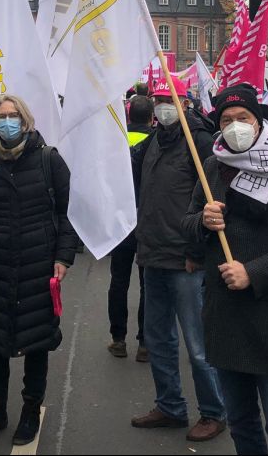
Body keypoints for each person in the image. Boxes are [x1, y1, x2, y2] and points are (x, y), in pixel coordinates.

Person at [184, 85, 268, 455]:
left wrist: (255, 272)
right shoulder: (212, 166)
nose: (235, 126)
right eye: (226, 120)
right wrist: (202, 221)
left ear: (258, 120)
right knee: (241, 423)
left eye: (242, 118)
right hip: (224, 316)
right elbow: (187, 231)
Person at [0, 94, 77, 446]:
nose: (7, 122)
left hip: (37, 265)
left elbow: (66, 215)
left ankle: (31, 410)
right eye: (1, 116)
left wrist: (63, 257)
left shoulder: (49, 160)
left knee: (36, 343)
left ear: (26, 121)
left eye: (13, 116)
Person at [130, 76, 226, 442]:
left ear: (185, 102)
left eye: (169, 99)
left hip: (185, 259)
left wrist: (196, 251)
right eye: (157, 100)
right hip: (152, 254)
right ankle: (170, 406)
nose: (162, 106)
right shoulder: (155, 140)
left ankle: (214, 411)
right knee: (158, 338)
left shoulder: (199, 141)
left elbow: (209, 202)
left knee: (197, 343)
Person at [108, 94, 153, 362]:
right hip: (148, 221)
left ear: (128, 116)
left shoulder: (118, 142)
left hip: (121, 222)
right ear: (151, 118)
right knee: (148, 284)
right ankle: (145, 342)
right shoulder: (157, 143)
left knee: (119, 281)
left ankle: (118, 338)